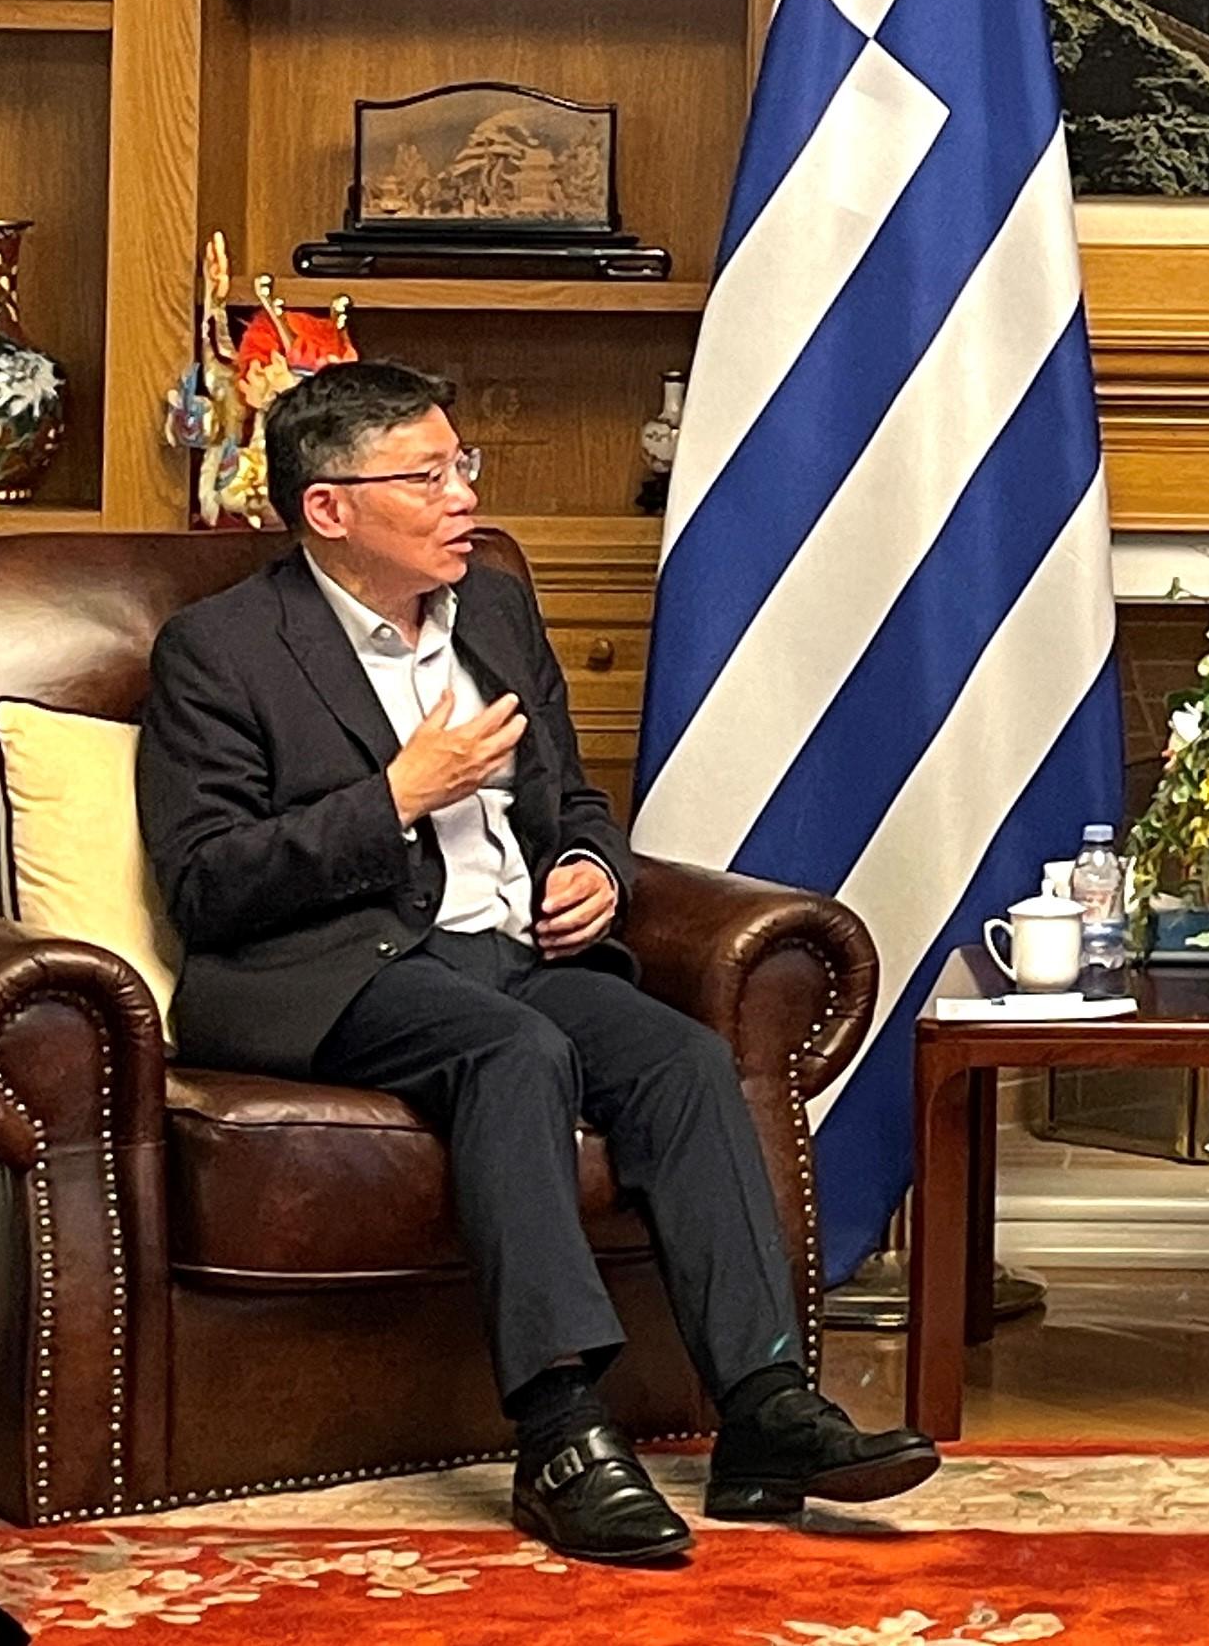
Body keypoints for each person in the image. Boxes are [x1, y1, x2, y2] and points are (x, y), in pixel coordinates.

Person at [137, 361, 937, 1565]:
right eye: (428, 473)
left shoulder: (496, 612)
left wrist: (593, 869)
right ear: (329, 508)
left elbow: (571, 798)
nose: (463, 492)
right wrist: (394, 797)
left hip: (511, 949)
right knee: (516, 1048)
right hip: (332, 966)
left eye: (463, 465)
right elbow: (206, 879)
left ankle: (766, 1406)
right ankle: (561, 1429)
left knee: (676, 1054)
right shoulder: (222, 648)